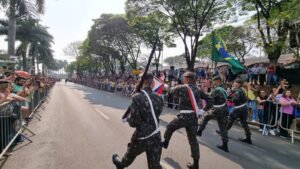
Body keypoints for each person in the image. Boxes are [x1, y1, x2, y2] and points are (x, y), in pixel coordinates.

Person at [112, 72, 164, 169]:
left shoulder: (137, 97)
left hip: (142, 137)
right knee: (154, 166)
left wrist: (127, 119)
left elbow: (134, 122)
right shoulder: (159, 97)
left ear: (141, 81)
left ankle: (120, 164)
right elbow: (156, 115)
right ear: (152, 82)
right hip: (156, 135)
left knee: (128, 158)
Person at [161, 71, 212, 169]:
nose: (183, 79)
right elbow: (210, 99)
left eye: (184, 77)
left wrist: (166, 86)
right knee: (193, 140)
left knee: (170, 126)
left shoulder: (183, 87)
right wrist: (203, 110)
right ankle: (196, 164)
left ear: (187, 78)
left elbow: (170, 91)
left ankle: (165, 142)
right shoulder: (198, 89)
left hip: (184, 116)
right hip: (193, 118)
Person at [197, 75, 229, 152]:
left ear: (217, 81)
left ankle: (199, 131)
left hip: (217, 109)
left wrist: (204, 109)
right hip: (224, 109)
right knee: (223, 127)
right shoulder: (223, 88)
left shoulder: (217, 89)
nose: (213, 83)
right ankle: (225, 145)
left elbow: (210, 99)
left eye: (214, 81)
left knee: (205, 116)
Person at [219, 79, 252, 144]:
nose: (234, 83)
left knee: (230, 119)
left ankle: (223, 132)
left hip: (238, 108)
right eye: (234, 82)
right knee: (244, 123)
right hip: (244, 108)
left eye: (235, 82)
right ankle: (248, 138)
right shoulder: (240, 89)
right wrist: (230, 92)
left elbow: (235, 100)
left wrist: (229, 98)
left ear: (238, 84)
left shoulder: (238, 91)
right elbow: (233, 91)